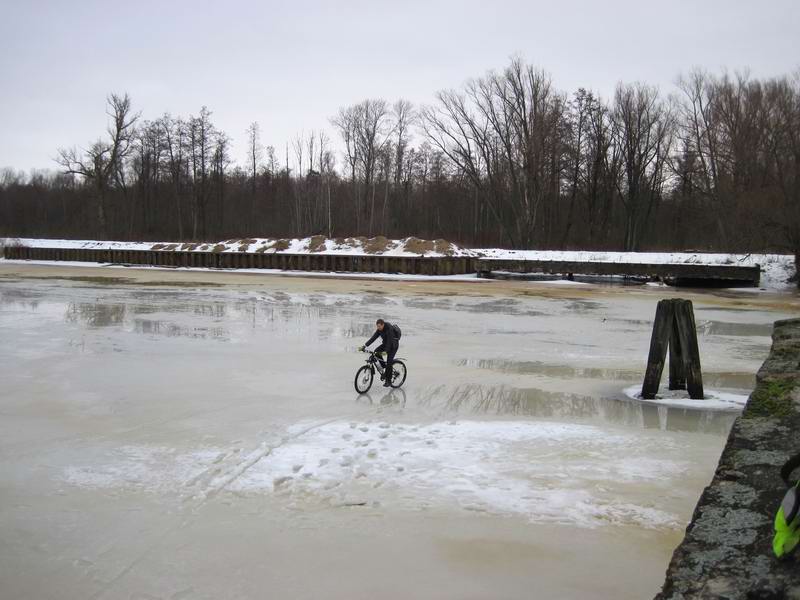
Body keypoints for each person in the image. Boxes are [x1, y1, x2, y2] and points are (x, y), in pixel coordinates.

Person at [360, 318, 399, 387]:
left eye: (379, 326)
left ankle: (388, 381)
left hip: (393, 346)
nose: (378, 328)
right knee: (376, 352)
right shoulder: (379, 330)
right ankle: (384, 365)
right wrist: (365, 346)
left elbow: (389, 341)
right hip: (385, 344)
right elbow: (373, 338)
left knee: (389, 362)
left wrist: (385, 351)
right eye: (377, 326)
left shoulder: (389, 328)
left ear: (383, 324)